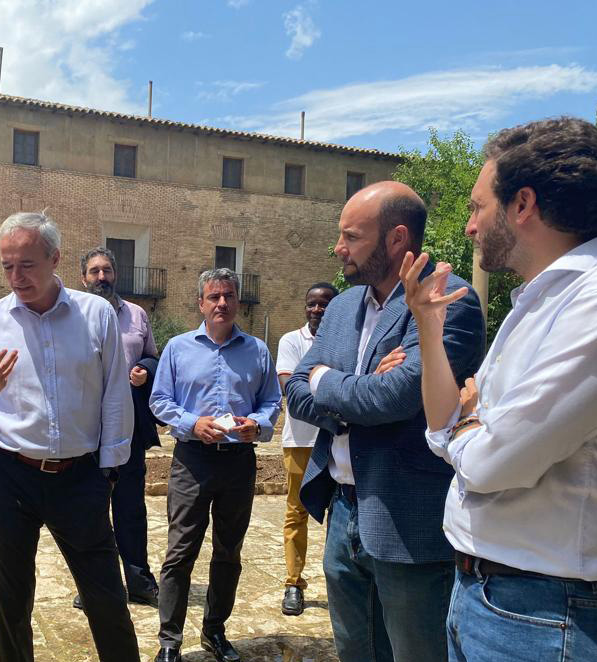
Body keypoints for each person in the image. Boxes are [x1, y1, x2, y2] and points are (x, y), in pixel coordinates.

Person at [403, 117, 597, 662]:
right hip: (489, 595)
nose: (468, 226)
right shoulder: (540, 302)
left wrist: (468, 426)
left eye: (476, 206)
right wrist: (427, 326)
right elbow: (443, 426)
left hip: (546, 611)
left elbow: (493, 464)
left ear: (523, 205)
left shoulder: (591, 304)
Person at [284, 181, 485, 662]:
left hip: (408, 520)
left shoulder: (447, 299)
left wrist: (326, 380)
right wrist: (355, 392)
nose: (338, 248)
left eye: (351, 236)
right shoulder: (342, 306)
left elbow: (394, 397)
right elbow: (294, 391)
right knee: (356, 650)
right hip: (341, 509)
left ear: (396, 239)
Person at [0, 212, 139, 662]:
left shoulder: (95, 314)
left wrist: (109, 470)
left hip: (79, 477)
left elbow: (115, 393)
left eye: (27, 265)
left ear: (54, 258)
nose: (16, 277)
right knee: (10, 598)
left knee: (106, 597)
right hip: (8, 476)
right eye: (7, 266)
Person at [149, 268, 282, 662]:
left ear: (237, 301)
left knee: (229, 552)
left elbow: (272, 400)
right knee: (179, 553)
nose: (221, 303)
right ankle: (169, 641)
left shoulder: (258, 350)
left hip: (238, 463)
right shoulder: (177, 348)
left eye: (228, 296)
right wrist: (193, 423)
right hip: (191, 462)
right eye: (214, 296)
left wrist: (256, 424)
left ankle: (214, 630)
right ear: (200, 303)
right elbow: (159, 401)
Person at [75, 246, 161, 609]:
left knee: (131, 507)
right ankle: (95, 584)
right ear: (83, 278)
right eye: (94, 271)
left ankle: (138, 581)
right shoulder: (73, 316)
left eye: (107, 270)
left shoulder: (137, 314)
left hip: (128, 427)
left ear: (115, 275)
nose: (101, 277)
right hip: (85, 430)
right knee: (89, 511)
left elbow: (154, 356)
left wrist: (145, 369)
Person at [275, 281, 337, 616]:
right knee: (297, 511)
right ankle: (293, 583)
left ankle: (341, 582)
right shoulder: (291, 341)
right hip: (301, 441)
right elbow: (291, 391)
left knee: (339, 513)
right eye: (311, 304)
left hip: (339, 441)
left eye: (324, 304)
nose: (317, 310)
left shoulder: (346, 341)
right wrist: (337, 400)